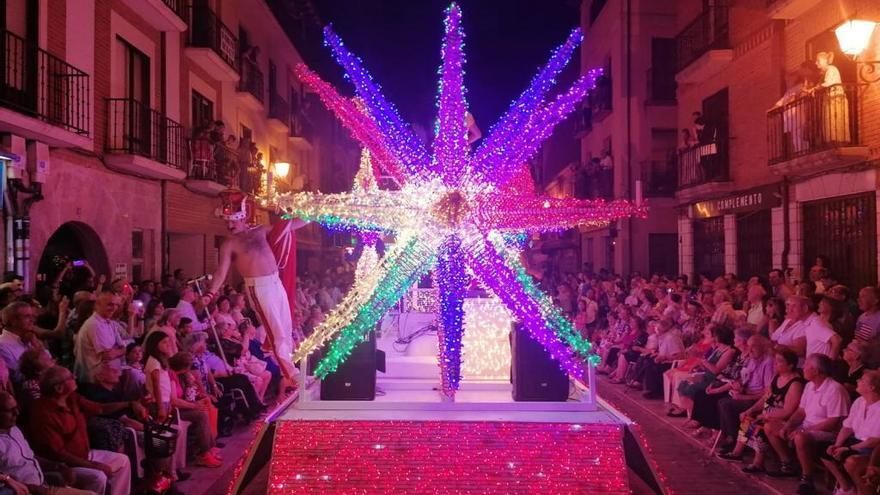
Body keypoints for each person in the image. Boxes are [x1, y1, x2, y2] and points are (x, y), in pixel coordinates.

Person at [206, 191, 307, 388]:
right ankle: (292, 376)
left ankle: (291, 372)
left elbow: (291, 225)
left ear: (243, 218)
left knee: (286, 328)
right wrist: (211, 293)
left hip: (276, 283)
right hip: (258, 288)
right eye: (226, 222)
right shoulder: (229, 244)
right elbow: (221, 273)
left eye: (232, 221)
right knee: (276, 332)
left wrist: (315, 213)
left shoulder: (260, 230)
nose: (229, 225)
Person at [28, 366, 140, 495]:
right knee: (98, 477)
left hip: (86, 455)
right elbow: (60, 454)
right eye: (70, 378)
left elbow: (100, 409)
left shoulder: (73, 398)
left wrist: (129, 404)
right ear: (58, 388)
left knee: (123, 461)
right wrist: (95, 466)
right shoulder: (44, 413)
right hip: (66, 465)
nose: (74, 378)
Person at [768, 354, 850, 485]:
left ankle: (807, 478)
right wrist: (788, 425)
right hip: (806, 427)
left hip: (827, 432)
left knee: (801, 437)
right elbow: (801, 411)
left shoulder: (835, 389)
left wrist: (803, 430)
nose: (803, 368)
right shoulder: (809, 386)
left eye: (806, 366)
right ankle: (787, 464)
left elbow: (832, 422)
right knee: (770, 426)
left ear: (816, 371)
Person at [720, 349, 805, 473]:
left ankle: (758, 463)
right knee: (747, 419)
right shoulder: (777, 377)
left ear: (790, 365)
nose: (775, 364)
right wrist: (750, 410)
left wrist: (765, 415)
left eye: (779, 362)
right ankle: (737, 452)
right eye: (775, 361)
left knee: (759, 426)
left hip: (782, 418)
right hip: (767, 413)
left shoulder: (795, 384)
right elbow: (765, 398)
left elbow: (789, 410)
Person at [0, 392, 94, 495]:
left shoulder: (14, 429)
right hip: (26, 491)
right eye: (10, 410)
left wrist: (57, 466)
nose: (17, 413)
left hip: (44, 486)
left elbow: (30, 457)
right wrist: (32, 488)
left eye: (16, 408)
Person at [821, 371, 880, 495]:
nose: (857, 381)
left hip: (870, 447)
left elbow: (874, 441)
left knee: (851, 461)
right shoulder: (859, 401)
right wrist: (837, 445)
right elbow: (847, 427)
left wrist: (848, 448)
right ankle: (846, 488)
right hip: (855, 441)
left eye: (862, 379)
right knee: (825, 449)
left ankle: (862, 491)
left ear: (872, 387)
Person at [74, 293, 126, 383]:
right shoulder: (95, 325)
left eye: (116, 305)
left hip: (109, 377)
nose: (114, 308)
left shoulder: (109, 322)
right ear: (97, 305)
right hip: (95, 381)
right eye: (110, 304)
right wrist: (120, 350)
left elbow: (123, 348)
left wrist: (118, 351)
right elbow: (108, 355)